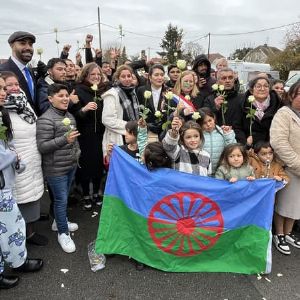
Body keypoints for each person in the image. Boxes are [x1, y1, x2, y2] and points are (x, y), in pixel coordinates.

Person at [0, 76, 43, 289]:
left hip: (21, 165)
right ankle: (15, 261)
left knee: (12, 223)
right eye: (4, 87)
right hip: (7, 174)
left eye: (15, 85)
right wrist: (13, 156)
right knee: (10, 223)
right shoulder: (4, 112)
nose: (8, 91)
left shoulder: (21, 106)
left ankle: (20, 254)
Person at [36, 84, 80, 253]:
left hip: (70, 165)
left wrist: (77, 152)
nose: (65, 98)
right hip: (55, 169)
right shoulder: (45, 119)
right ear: (50, 99)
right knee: (61, 201)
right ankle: (63, 233)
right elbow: (42, 146)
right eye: (60, 95)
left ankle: (58, 222)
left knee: (63, 198)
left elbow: (73, 139)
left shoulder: (68, 115)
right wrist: (64, 140)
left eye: (66, 95)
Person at [75, 63, 110, 210]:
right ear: (85, 76)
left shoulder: (104, 90)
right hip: (85, 135)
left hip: (101, 134)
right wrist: (84, 109)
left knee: (98, 164)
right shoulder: (78, 90)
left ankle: (96, 192)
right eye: (92, 74)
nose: (96, 77)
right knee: (86, 165)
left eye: (98, 75)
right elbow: (74, 114)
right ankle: (86, 195)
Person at [270, 81, 300, 255]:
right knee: (284, 205)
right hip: (289, 166)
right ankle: (279, 234)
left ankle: (288, 233)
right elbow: (279, 142)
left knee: (296, 205)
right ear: (292, 95)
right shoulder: (284, 114)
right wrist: (296, 163)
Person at [102, 65, 139, 158]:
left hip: (133, 137)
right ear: (117, 78)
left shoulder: (133, 93)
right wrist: (130, 128)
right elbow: (107, 119)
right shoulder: (112, 94)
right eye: (123, 76)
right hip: (119, 136)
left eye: (129, 76)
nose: (127, 79)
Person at [237, 76, 281, 147]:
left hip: (272, 148)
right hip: (250, 148)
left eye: (266, 86)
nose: (262, 89)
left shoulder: (278, 104)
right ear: (251, 90)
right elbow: (237, 127)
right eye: (258, 86)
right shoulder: (243, 104)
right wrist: (245, 143)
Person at [0, 31, 37, 111]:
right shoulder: (2, 70)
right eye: (22, 43)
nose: (28, 47)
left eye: (30, 44)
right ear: (12, 46)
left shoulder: (30, 72)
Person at [203, 68, 244, 137]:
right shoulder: (210, 99)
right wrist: (215, 108)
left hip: (237, 138)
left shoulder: (242, 98)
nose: (227, 81)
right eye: (224, 78)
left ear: (234, 80)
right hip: (217, 137)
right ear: (218, 81)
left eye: (230, 78)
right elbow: (205, 120)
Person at [199, 107, 236, 174]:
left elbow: (232, 148)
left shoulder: (222, 132)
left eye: (210, 120)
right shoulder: (198, 135)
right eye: (204, 123)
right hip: (203, 172)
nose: (208, 124)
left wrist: (228, 135)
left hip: (221, 172)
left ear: (214, 118)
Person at [136, 64, 168, 142]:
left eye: (162, 75)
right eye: (156, 75)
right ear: (150, 77)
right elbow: (138, 110)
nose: (159, 78)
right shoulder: (141, 90)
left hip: (163, 131)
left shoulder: (168, 92)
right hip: (146, 130)